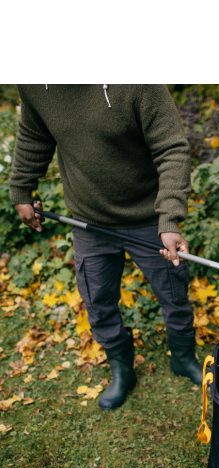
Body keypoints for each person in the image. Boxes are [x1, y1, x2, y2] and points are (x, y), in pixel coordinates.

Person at [9, 84, 202, 410]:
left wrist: (169, 219)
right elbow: (34, 134)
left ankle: (183, 357)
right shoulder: (34, 82)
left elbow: (172, 149)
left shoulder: (137, 81)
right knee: (97, 299)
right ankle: (121, 368)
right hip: (89, 220)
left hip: (148, 217)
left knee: (173, 290)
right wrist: (22, 189)